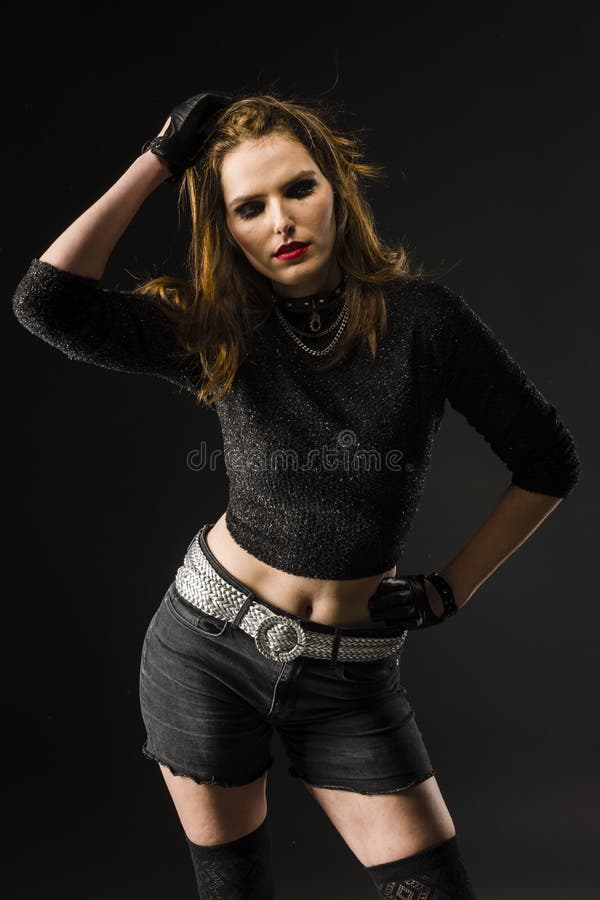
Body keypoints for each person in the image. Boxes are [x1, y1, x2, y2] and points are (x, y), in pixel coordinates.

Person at [11, 90, 580, 899]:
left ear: (337, 190)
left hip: (350, 677)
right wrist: (160, 160)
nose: (279, 221)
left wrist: (450, 590)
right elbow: (45, 303)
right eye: (249, 206)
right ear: (228, 226)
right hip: (205, 649)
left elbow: (548, 461)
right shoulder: (220, 324)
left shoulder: (426, 322)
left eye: (298, 189)